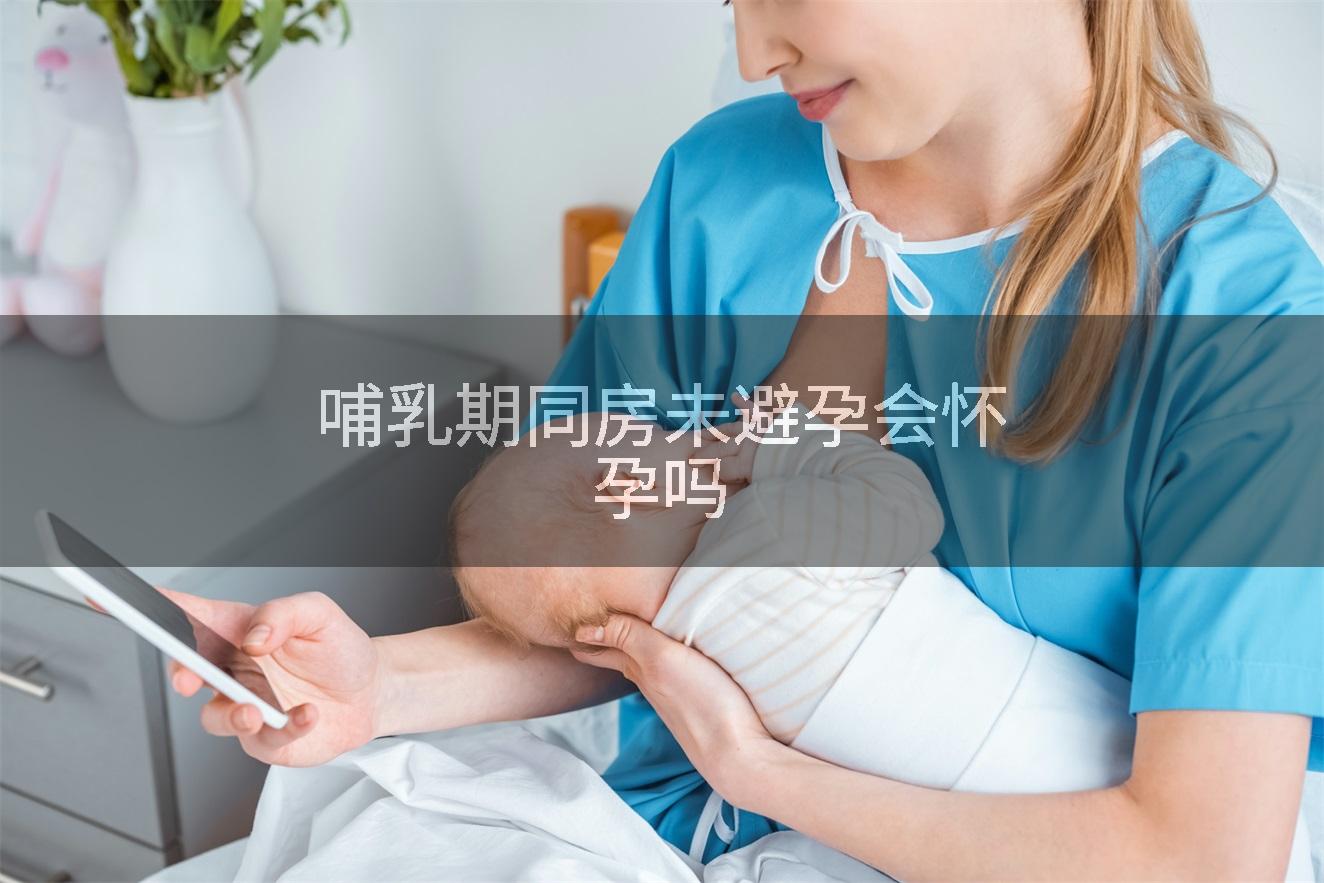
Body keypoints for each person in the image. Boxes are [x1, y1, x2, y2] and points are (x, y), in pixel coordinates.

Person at [167, 0, 1322, 877]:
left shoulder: (1241, 315)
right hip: (670, 824)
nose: (755, 48)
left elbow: (1199, 856)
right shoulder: (723, 185)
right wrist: (379, 686)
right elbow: (612, 595)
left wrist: (759, 770)